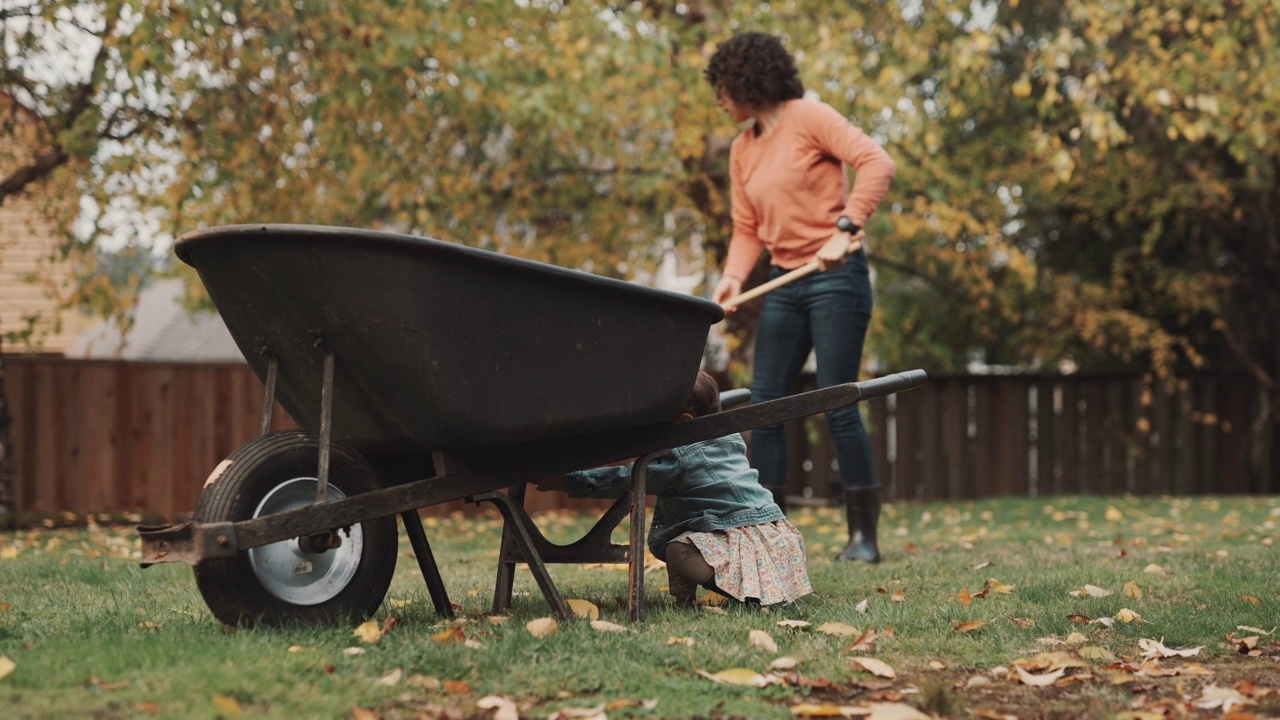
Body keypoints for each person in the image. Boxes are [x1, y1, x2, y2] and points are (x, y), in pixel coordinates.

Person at [705, 32, 896, 563]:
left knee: (836, 401)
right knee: (765, 407)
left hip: (837, 276)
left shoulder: (809, 116)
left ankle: (864, 539)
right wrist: (732, 278)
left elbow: (876, 162)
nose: (719, 100)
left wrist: (847, 227)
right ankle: (768, 533)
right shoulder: (743, 149)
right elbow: (747, 228)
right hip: (786, 282)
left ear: (746, 80)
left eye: (722, 88)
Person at [535, 370, 812, 607]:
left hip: (740, 536)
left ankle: (743, 592)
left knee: (678, 551)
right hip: (777, 537)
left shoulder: (681, 457)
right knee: (687, 535)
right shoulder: (728, 434)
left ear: (684, 423)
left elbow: (628, 478)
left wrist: (567, 481)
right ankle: (756, 585)